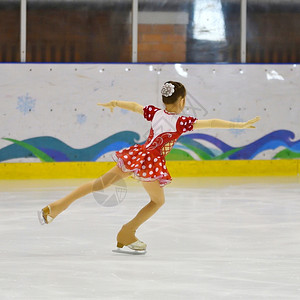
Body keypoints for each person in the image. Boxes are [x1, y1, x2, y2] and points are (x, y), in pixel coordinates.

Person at [38, 81, 260, 252]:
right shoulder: (181, 122)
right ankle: (127, 232)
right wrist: (238, 124)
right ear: (182, 101)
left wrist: (115, 103)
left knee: (99, 184)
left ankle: (56, 207)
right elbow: (211, 123)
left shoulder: (156, 113)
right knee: (157, 200)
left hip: (137, 154)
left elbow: (134, 106)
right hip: (150, 161)